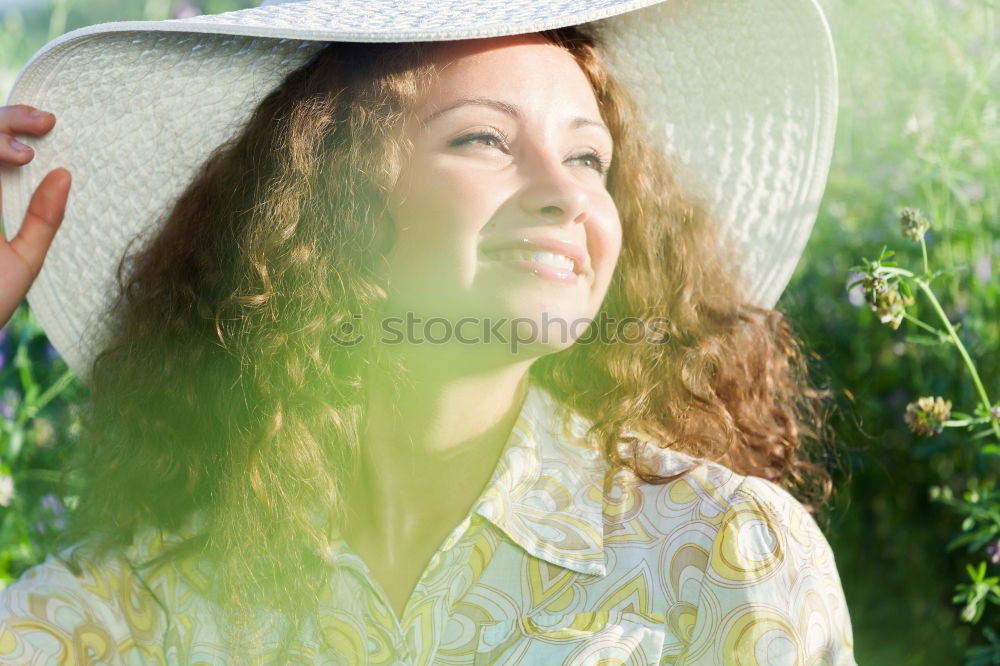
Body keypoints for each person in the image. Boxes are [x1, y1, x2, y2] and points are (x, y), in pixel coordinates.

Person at [0, 0, 855, 663]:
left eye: (590, 157)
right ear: (332, 204)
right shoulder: (129, 607)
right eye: (484, 139)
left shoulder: (726, 554)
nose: (566, 192)